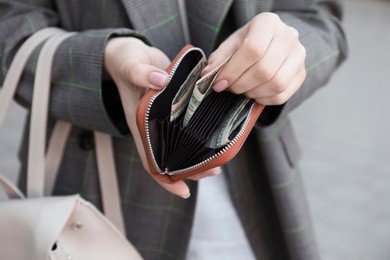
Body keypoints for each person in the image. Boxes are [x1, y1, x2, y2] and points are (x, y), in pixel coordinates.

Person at [0, 0, 347, 259]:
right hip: (94, 198)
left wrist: (284, 55)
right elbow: (11, 26)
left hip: (258, 190)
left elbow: (321, 17)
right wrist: (104, 58)